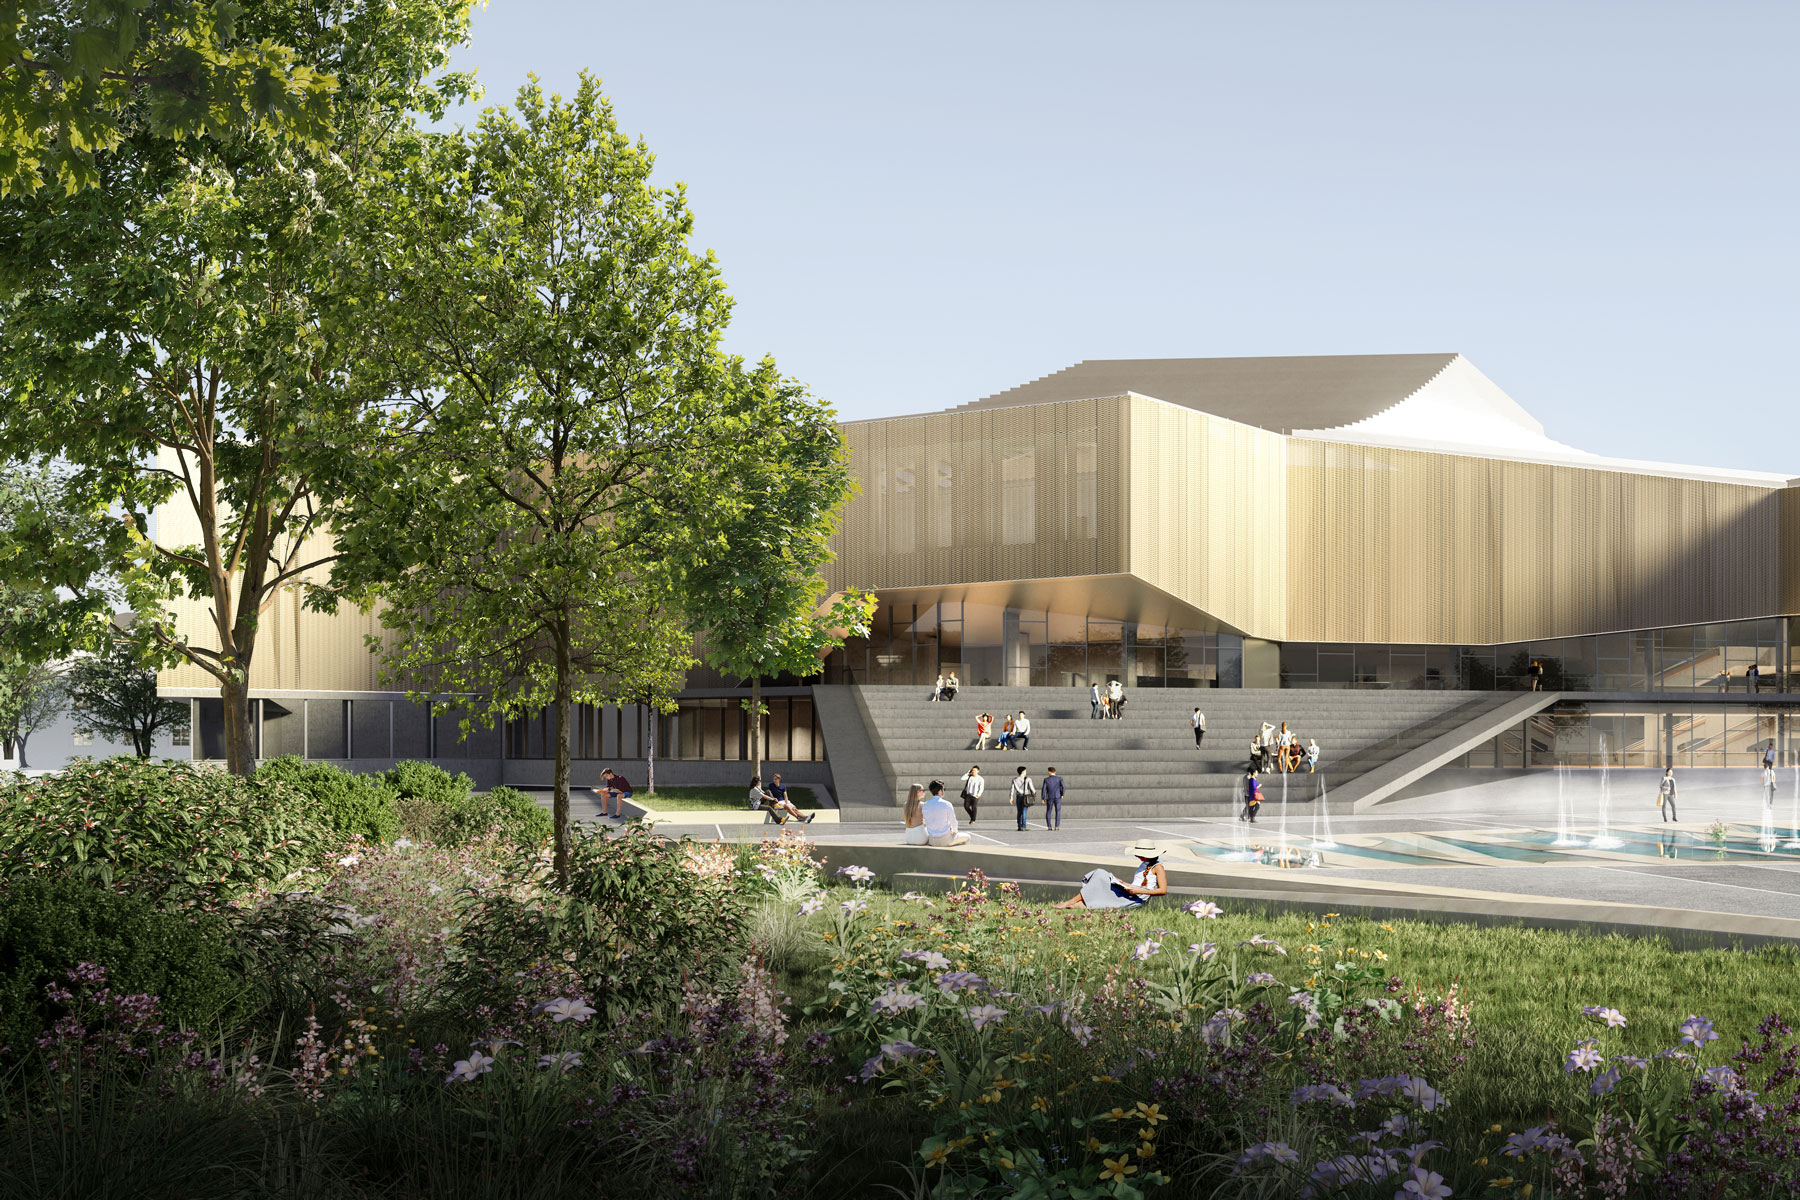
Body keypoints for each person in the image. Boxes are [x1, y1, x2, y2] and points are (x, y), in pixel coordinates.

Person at [1054, 839, 1168, 909]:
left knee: (1100, 876)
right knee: (1101, 874)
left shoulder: (1158, 867)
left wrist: (1138, 891)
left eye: (1140, 855)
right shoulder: (1144, 865)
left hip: (1137, 898)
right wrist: (1124, 883)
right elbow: (1137, 885)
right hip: (1131, 892)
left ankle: (1070, 902)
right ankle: (1074, 905)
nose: (1138, 857)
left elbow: (1162, 890)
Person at [920, 780, 969, 846]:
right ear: (940, 791)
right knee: (968, 837)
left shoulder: (925, 805)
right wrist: (954, 832)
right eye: (944, 789)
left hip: (932, 841)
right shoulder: (947, 804)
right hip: (946, 839)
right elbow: (953, 822)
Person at [1009, 764, 1037, 831]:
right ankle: (1024, 826)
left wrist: (1011, 797)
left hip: (1018, 796)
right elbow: (1031, 788)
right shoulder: (1028, 779)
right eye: (1025, 771)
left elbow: (1012, 789)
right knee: (1024, 811)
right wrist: (1034, 793)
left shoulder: (1014, 779)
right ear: (1023, 771)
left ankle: (1019, 826)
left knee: (1019, 811)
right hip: (1025, 797)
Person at [1041, 766, 1065, 831]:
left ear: (1049, 772)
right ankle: (1057, 826)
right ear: (1055, 772)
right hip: (1057, 796)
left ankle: (1049, 826)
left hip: (1049, 797)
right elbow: (1063, 787)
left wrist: (1043, 798)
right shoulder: (1059, 779)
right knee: (1058, 811)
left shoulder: (1046, 779)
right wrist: (1062, 794)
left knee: (1048, 811)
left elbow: (1043, 789)